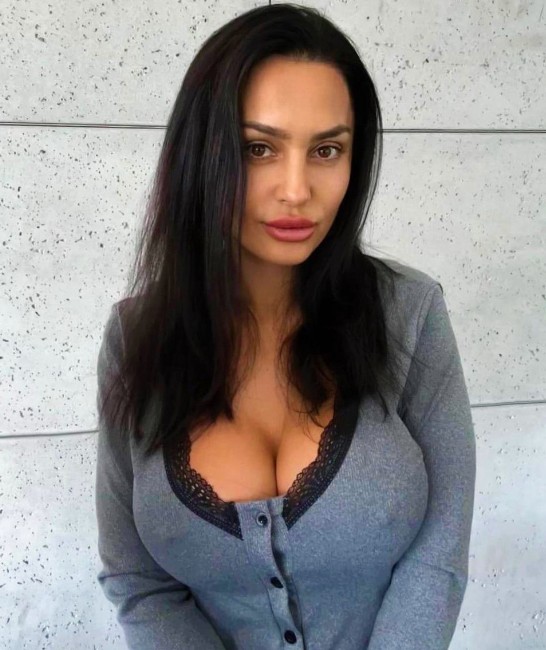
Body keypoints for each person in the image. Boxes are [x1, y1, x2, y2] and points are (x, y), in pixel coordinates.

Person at [95, 4, 476, 649]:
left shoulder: (409, 313)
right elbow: (139, 581)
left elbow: (438, 557)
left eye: (327, 149)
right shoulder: (136, 338)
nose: (297, 190)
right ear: (202, 154)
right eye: (259, 148)